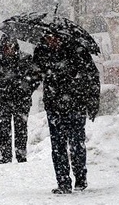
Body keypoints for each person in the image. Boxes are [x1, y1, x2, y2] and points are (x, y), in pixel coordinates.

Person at [33, 32, 100, 194]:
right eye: (48, 38)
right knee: (58, 146)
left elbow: (92, 76)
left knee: (76, 143)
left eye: (54, 37)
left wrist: (92, 102)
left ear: (61, 37)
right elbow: (34, 76)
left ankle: (80, 178)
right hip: (54, 106)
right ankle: (63, 182)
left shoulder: (77, 50)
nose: (52, 41)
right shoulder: (42, 52)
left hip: (75, 105)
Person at [0, 34, 40, 164]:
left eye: (11, 46)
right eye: (6, 46)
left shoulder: (26, 59)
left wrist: (27, 90)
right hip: (3, 100)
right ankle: (6, 156)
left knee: (21, 128)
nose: (9, 49)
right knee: (4, 129)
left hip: (21, 100)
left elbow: (36, 77)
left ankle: (21, 155)